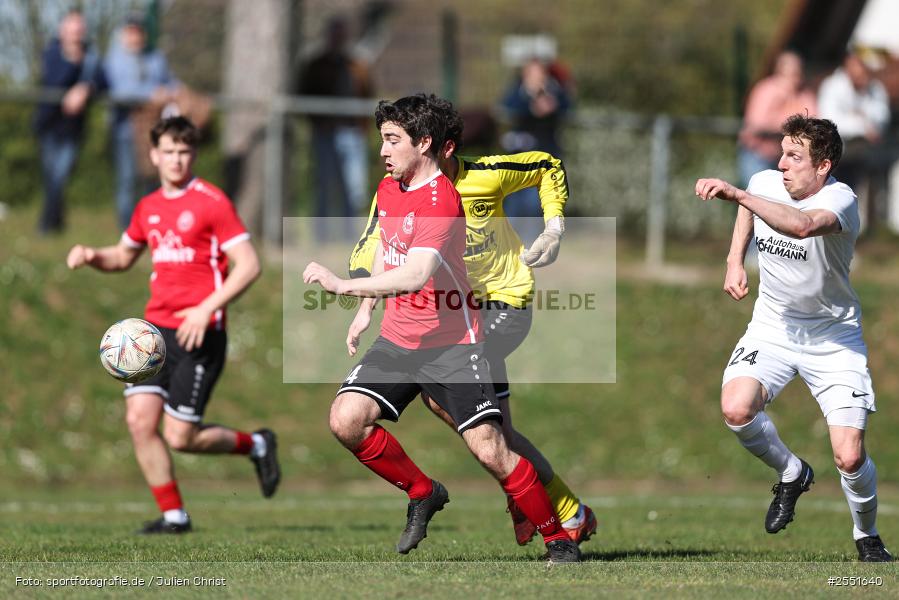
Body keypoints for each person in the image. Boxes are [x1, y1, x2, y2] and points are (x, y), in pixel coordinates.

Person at [303, 94, 580, 562]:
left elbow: (415, 273)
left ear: (428, 144)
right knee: (345, 420)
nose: (383, 151)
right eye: (382, 140)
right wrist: (367, 306)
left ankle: (559, 538)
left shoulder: (443, 200)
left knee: (492, 447)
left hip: (457, 338)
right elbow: (384, 252)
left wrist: (340, 286)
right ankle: (422, 491)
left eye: (392, 141)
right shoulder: (391, 189)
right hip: (399, 338)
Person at [66, 116, 280, 534]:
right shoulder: (148, 207)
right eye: (168, 152)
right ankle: (174, 516)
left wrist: (206, 308)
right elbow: (123, 257)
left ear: (194, 155)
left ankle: (256, 444)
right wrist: (93, 255)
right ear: (154, 156)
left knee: (182, 436)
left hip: (201, 332)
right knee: (139, 422)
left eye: (184, 152)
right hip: (153, 335)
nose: (176, 160)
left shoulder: (212, 202)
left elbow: (249, 264)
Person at [695, 114, 892, 562]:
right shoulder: (764, 182)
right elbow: (753, 204)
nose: (781, 163)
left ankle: (867, 536)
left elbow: (800, 226)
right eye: (781, 153)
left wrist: (740, 193)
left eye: (794, 157)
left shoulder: (841, 200)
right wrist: (733, 260)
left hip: (834, 338)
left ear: (822, 166)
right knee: (736, 407)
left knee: (848, 457)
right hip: (774, 327)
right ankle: (792, 472)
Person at [298, 15, 373, 240]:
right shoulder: (316, 65)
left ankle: (353, 237)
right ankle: (321, 236)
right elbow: (304, 96)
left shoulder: (357, 66)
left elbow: (367, 94)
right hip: (325, 134)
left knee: (355, 187)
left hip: (352, 134)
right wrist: (320, 121)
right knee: (324, 184)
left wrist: (364, 127)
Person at [104, 11, 180, 229]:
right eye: (131, 32)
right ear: (123, 34)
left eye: (139, 32)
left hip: (154, 131)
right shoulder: (114, 60)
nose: (135, 37)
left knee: (153, 180)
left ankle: (151, 225)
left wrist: (175, 92)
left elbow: (171, 82)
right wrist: (151, 95)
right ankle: (127, 232)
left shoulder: (156, 58)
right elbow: (120, 92)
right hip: (125, 131)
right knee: (127, 181)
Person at [34, 9, 105, 234]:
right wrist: (73, 61)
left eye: (79, 30)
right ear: (62, 31)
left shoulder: (91, 57)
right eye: (72, 29)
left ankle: (50, 223)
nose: (76, 34)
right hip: (49, 126)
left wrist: (86, 88)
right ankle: (51, 224)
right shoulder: (52, 53)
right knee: (52, 177)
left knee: (60, 175)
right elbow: (54, 81)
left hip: (72, 128)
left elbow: (103, 82)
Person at [500, 58, 571, 242]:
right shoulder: (517, 93)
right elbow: (506, 108)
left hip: (544, 159)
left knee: (534, 203)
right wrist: (531, 106)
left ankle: (530, 243)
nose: (538, 78)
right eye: (533, 74)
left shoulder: (555, 92)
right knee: (514, 202)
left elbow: (568, 107)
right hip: (518, 159)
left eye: (541, 73)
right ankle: (508, 241)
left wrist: (551, 104)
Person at [818, 51, 890, 228]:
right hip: (838, 156)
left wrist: (860, 118)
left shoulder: (875, 88)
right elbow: (830, 121)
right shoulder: (832, 86)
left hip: (864, 155)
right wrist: (862, 124)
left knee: (862, 198)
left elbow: (882, 118)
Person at [737, 51, 818, 188]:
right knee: (758, 198)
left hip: (790, 161)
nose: (795, 77)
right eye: (791, 72)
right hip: (759, 155)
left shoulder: (805, 94)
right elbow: (758, 124)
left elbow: (814, 124)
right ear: (779, 71)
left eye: (797, 72)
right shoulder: (765, 90)